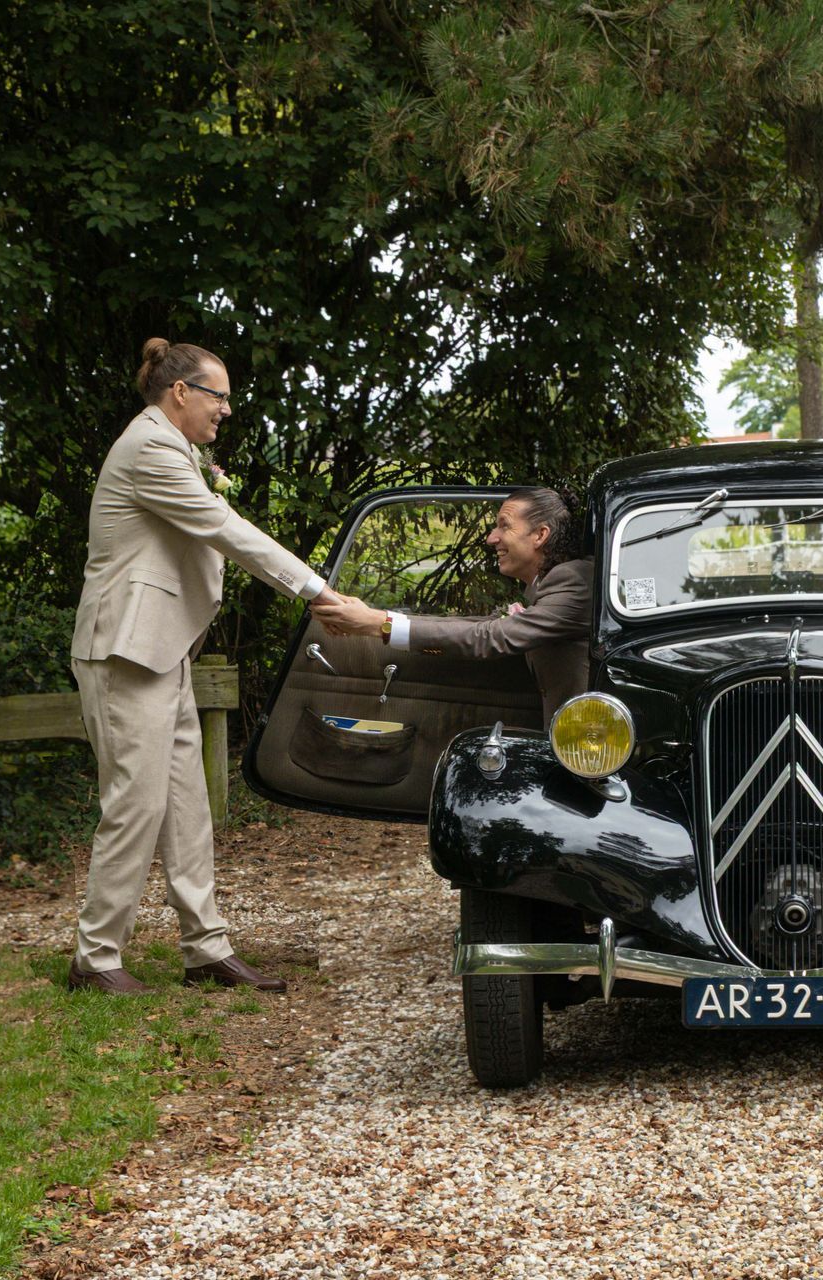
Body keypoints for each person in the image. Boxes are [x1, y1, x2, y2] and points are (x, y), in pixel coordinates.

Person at [68, 338, 342, 995]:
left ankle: (206, 949)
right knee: (134, 805)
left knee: (188, 805)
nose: (226, 409)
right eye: (218, 395)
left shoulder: (178, 449)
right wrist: (320, 593)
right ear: (180, 391)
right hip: (125, 652)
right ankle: (95, 957)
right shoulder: (151, 447)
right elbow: (227, 531)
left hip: (164, 652)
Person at [311, 488, 590, 724]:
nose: (491, 538)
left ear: (540, 535)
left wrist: (377, 624)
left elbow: (491, 637)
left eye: (504, 525)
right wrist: (379, 618)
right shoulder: (546, 583)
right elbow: (482, 626)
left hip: (590, 745)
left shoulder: (574, 580)